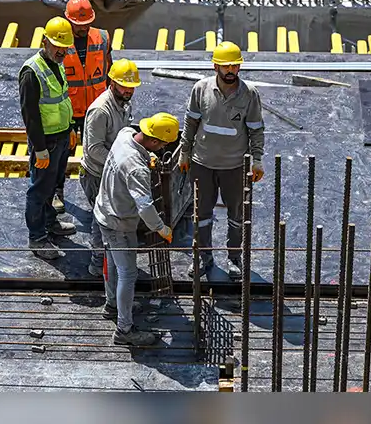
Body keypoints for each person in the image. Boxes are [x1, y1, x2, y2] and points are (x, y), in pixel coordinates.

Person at [178, 41, 266, 279]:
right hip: (202, 164)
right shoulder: (201, 89)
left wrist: (257, 159)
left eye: (234, 66)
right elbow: (191, 122)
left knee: (237, 215)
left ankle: (234, 257)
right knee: (201, 214)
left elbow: (256, 129)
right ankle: (202, 256)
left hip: (234, 167)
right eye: (226, 66)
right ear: (215, 66)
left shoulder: (249, 94)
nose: (230, 70)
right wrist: (185, 151)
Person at [94, 114, 176, 346]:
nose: (162, 149)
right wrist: (161, 228)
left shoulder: (125, 135)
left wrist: (149, 155)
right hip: (118, 224)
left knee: (113, 264)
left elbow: (138, 149)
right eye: (162, 145)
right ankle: (124, 330)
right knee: (128, 274)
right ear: (154, 141)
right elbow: (145, 206)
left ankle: (112, 305)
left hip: (103, 212)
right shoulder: (136, 169)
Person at [19, 17, 79, 260]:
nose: (61, 51)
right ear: (44, 41)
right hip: (46, 142)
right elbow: (30, 115)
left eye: (65, 47)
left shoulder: (57, 64)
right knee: (39, 190)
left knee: (53, 185)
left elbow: (62, 99)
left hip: (61, 137)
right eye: (57, 46)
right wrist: (40, 148)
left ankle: (50, 223)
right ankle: (37, 237)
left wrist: (71, 127)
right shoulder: (31, 72)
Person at [53, 0, 113, 215]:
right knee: (61, 153)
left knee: (100, 150)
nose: (83, 28)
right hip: (69, 109)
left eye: (87, 23)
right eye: (79, 24)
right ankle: (56, 192)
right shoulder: (59, 42)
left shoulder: (102, 38)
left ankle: (104, 190)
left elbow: (109, 71)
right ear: (68, 20)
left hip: (96, 108)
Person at [82, 59, 141, 277]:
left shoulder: (124, 103)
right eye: (124, 86)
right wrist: (120, 163)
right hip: (96, 175)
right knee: (101, 220)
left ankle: (110, 261)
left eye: (131, 86)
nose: (128, 90)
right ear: (112, 83)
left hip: (111, 173)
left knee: (110, 218)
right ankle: (97, 264)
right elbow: (94, 149)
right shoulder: (101, 110)